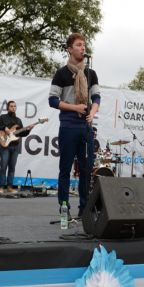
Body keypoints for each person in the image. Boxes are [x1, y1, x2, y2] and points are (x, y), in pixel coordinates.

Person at [49, 32, 100, 218]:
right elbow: (53, 100)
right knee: (65, 169)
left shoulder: (90, 73)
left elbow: (96, 97)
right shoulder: (61, 73)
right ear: (69, 49)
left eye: (84, 45)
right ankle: (64, 210)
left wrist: (92, 112)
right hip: (69, 126)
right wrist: (74, 107)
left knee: (87, 170)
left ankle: (84, 210)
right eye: (78, 45)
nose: (82, 48)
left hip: (86, 127)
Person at [0, 101, 30, 193]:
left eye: (14, 106)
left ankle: (9, 187)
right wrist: (4, 127)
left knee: (12, 167)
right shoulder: (2, 118)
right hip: (5, 146)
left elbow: (22, 133)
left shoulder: (18, 121)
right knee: (3, 166)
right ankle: (1, 187)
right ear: (7, 108)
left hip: (15, 147)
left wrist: (29, 130)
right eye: (11, 106)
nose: (13, 108)